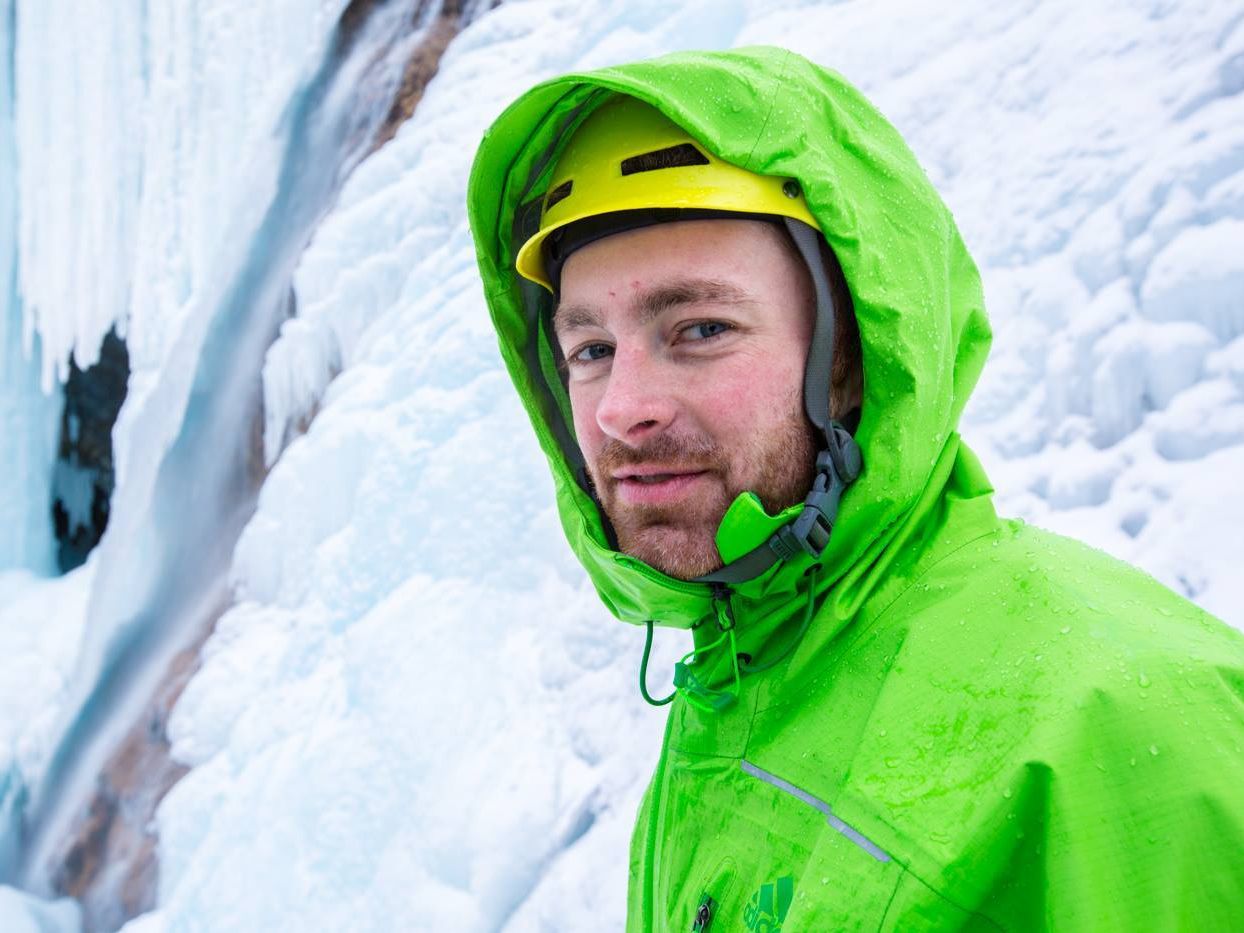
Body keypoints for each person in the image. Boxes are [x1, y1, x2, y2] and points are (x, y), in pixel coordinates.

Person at [467, 46, 1244, 931]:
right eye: (591, 350)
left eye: (701, 327)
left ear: (849, 360)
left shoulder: (1126, 728)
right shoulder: (741, 671)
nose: (621, 411)